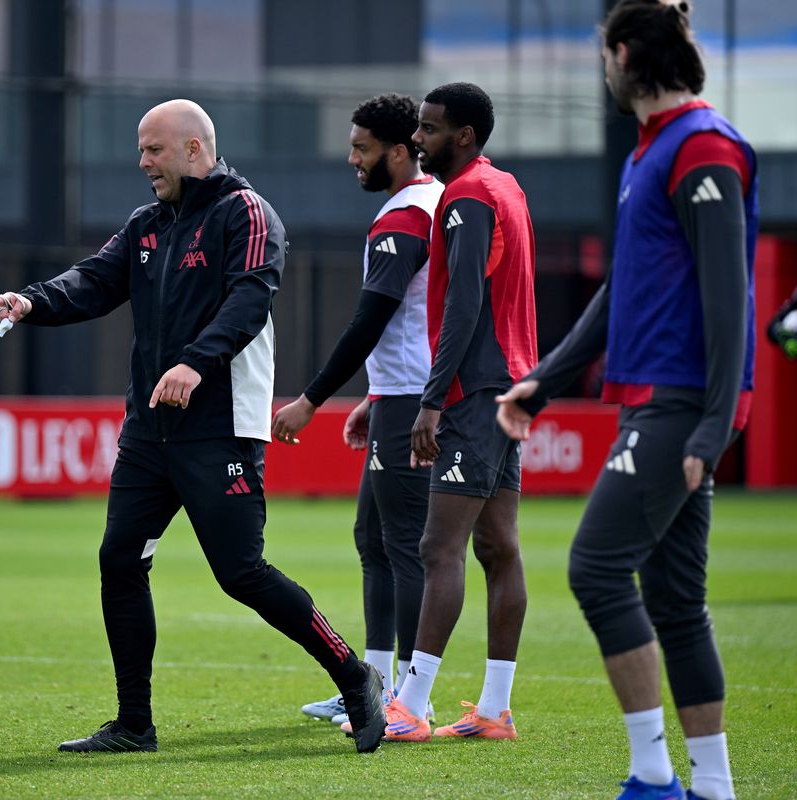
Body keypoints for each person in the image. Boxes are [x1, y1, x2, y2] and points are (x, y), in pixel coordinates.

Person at [0, 98, 386, 754]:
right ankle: (134, 724)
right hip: (150, 432)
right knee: (120, 560)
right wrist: (32, 299)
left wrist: (196, 363)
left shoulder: (245, 212)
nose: (143, 162)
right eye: (142, 150)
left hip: (219, 426)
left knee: (240, 572)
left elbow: (251, 296)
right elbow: (94, 280)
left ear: (194, 149)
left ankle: (353, 673)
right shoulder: (147, 224)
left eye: (154, 149)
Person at [496, 3, 755, 798]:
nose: (601, 70)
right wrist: (545, 380)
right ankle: (712, 786)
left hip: (681, 405)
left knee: (597, 570)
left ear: (626, 54)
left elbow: (731, 299)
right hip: (658, 404)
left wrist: (714, 425)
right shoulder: (650, 151)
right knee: (675, 601)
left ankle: (652, 776)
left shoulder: (703, 147)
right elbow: (625, 290)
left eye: (604, 56)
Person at [270, 94, 441, 729]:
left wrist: (311, 400)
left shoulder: (406, 215)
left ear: (399, 151)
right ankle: (370, 683)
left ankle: (410, 698)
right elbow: (415, 317)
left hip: (413, 401)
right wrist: (373, 395)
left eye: (362, 148)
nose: (352, 159)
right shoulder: (430, 202)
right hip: (399, 395)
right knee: (374, 539)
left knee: (405, 546)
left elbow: (371, 319)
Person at [382, 82, 537, 743]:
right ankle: (494, 710)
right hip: (511, 384)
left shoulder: (468, 195)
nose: (418, 139)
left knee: (437, 547)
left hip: (476, 390)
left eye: (429, 128)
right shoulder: (506, 187)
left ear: (464, 136)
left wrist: (432, 399)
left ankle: (410, 706)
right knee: (498, 546)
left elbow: (465, 301)